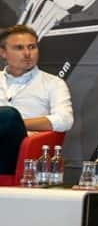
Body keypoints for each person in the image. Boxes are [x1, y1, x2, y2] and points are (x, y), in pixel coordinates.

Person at [0, 24, 73, 176]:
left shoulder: (53, 83)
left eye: (32, 47)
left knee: (9, 115)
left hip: (26, 151)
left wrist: (16, 123)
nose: (27, 53)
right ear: (3, 52)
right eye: (19, 48)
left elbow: (64, 120)